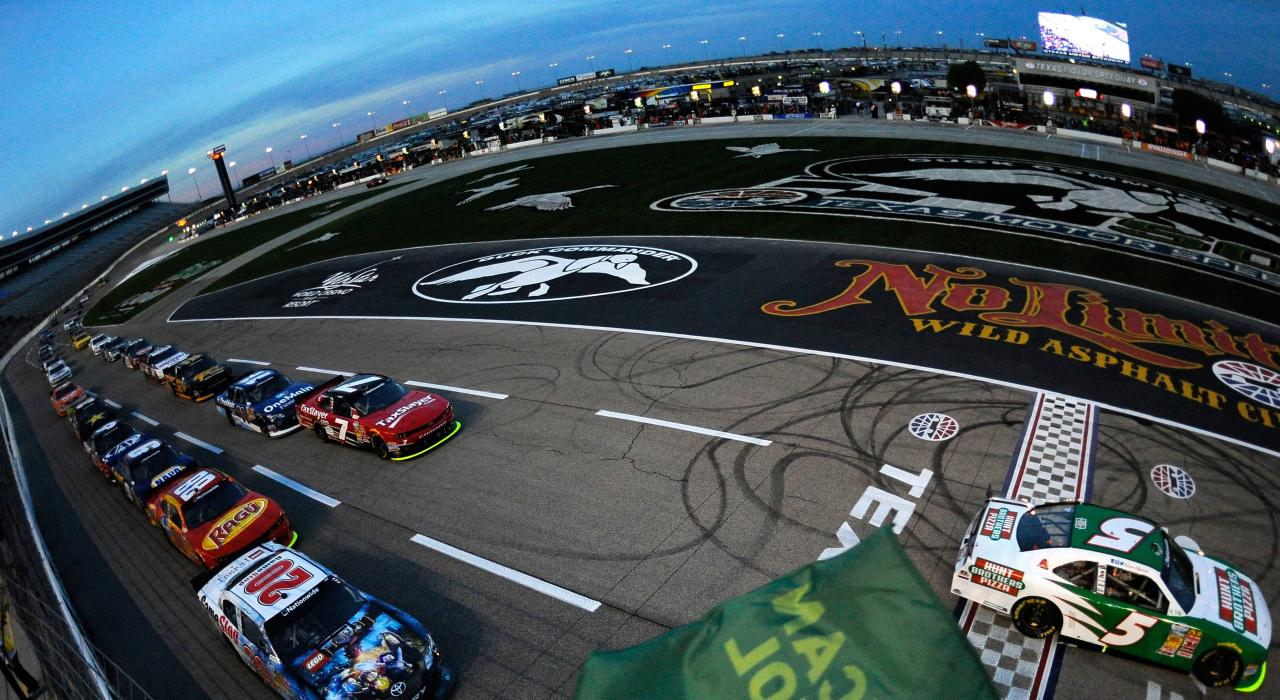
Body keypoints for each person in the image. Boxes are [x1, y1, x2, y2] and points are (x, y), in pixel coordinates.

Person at [0, 591, 43, 699]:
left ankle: (33, 686)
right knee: (20, 672)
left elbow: (2, 648)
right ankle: (31, 685)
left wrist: (8, 662)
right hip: (11, 653)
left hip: (9, 656)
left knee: (20, 673)